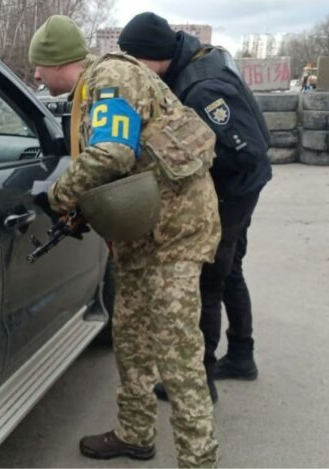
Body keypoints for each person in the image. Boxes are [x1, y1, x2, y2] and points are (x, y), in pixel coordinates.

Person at [29, 15, 221, 468]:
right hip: (141, 235)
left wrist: (58, 197)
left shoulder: (110, 78)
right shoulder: (95, 85)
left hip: (173, 236)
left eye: (39, 66)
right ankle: (135, 434)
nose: (35, 75)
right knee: (131, 338)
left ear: (61, 63)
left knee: (178, 354)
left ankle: (199, 459)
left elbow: (111, 152)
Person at [118, 12, 271, 403]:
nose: (133, 70)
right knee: (231, 270)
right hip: (242, 188)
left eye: (135, 61)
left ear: (153, 56)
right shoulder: (193, 61)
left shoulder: (201, 87)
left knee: (207, 280)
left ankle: (201, 379)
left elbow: (247, 149)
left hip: (231, 193)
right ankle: (241, 355)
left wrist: (195, 175)